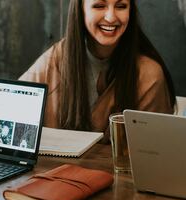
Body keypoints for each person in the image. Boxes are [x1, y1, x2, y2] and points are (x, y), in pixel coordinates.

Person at [19, 0, 176, 135]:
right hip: (54, 170)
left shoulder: (149, 74)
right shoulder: (54, 59)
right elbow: (12, 109)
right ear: (81, 9)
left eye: (121, 6)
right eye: (99, 6)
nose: (111, 17)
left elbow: (153, 152)